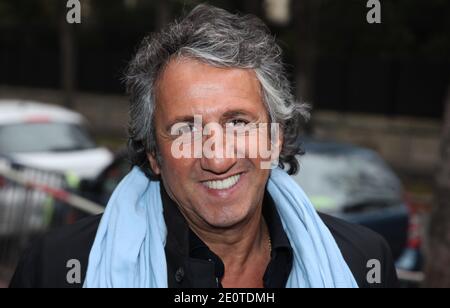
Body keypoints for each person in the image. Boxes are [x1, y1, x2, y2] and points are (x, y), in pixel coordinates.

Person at [10, 4, 398, 288]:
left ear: (275, 137)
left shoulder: (361, 262)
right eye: (184, 131)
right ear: (153, 156)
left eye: (238, 122)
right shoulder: (56, 269)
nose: (218, 157)